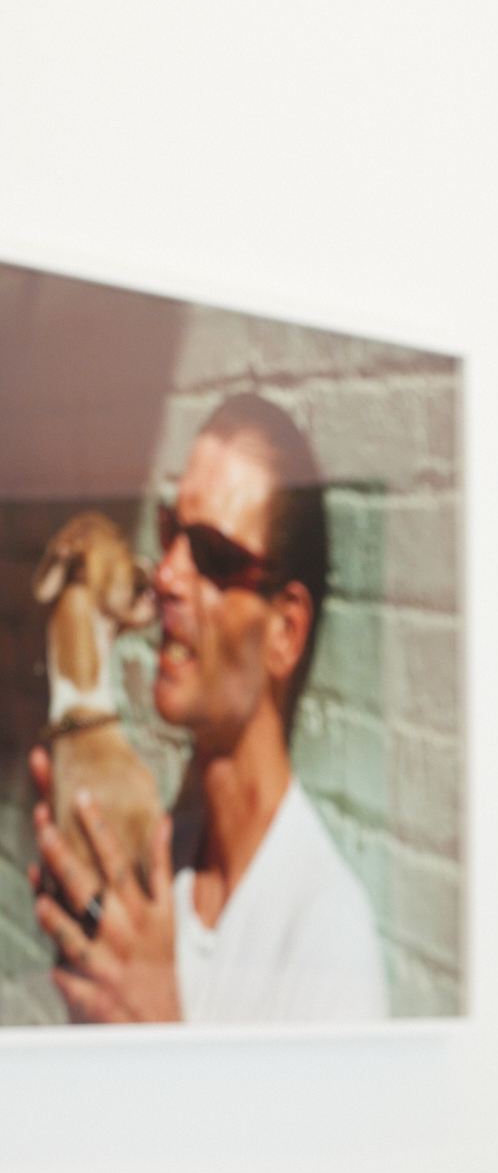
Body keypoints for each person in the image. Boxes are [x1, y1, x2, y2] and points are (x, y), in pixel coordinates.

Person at [30, 392, 388, 1023]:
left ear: (284, 632)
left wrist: (159, 1025)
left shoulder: (328, 941)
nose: (165, 575)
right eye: (172, 533)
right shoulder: (161, 859)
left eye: (214, 556)